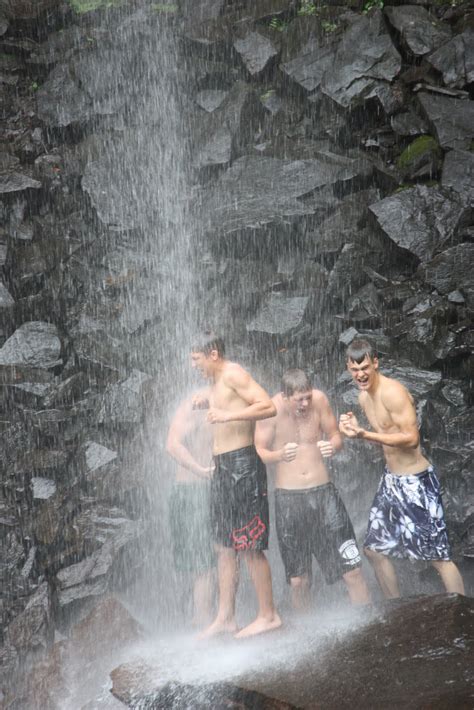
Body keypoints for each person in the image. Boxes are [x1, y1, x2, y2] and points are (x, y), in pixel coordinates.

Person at [339, 338, 464, 598]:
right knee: (374, 549)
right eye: (354, 369)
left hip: (416, 481)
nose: (360, 375)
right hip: (392, 481)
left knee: (437, 556)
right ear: (348, 369)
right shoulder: (364, 398)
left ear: (375, 363)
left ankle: (461, 616)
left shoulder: (392, 392)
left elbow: (411, 438)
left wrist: (364, 435)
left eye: (365, 368)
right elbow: (386, 437)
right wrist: (351, 429)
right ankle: (395, 610)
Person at [255, 369, 371, 610]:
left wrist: (332, 446)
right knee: (298, 580)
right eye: (299, 399)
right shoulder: (270, 410)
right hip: (289, 500)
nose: (305, 403)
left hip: (324, 495)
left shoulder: (319, 400)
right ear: (285, 397)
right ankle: (306, 633)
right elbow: (260, 451)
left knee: (352, 568)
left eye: (307, 396)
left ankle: (369, 623)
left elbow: (335, 435)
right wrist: (279, 455)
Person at [191, 332, 281, 638]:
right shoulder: (216, 382)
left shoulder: (233, 373)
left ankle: (268, 615)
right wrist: (208, 402)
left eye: (197, 359)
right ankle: (226, 616)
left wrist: (227, 414)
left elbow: (268, 406)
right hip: (223, 468)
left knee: (249, 544)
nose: (194, 366)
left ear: (213, 354)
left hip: (244, 466)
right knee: (225, 545)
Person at [166, 390, 216, 627]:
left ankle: (220, 618)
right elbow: (172, 445)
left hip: (218, 488)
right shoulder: (194, 404)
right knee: (201, 562)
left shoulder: (230, 403)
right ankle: (202, 619)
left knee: (225, 555)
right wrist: (200, 470)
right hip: (192, 489)